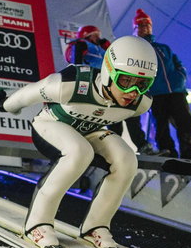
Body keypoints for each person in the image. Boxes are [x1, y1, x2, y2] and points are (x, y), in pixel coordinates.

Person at [0, 35, 157, 248]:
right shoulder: (71, 83)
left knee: (127, 160)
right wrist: (6, 104)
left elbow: (117, 118)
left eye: (142, 84)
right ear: (108, 72)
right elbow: (32, 92)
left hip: (91, 131)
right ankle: (37, 224)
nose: (132, 93)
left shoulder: (141, 103)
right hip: (51, 124)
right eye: (125, 81)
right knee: (79, 152)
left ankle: (95, 226)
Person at [65, 25, 156, 155]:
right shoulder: (81, 44)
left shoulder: (102, 48)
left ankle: (136, 145)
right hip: (95, 84)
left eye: (98, 34)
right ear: (86, 35)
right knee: (108, 117)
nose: (97, 37)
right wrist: (77, 77)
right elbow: (75, 62)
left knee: (128, 112)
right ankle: (104, 147)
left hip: (112, 82)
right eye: (94, 34)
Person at [133, 8, 191, 159]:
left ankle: (190, 154)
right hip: (156, 94)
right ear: (135, 29)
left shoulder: (164, 48)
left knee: (186, 123)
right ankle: (168, 154)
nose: (145, 27)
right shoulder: (135, 48)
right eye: (141, 25)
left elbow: (179, 64)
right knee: (161, 127)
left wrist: (180, 76)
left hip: (176, 92)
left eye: (148, 24)